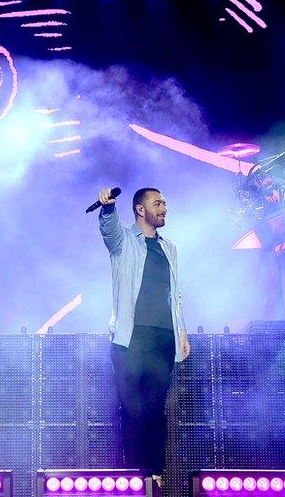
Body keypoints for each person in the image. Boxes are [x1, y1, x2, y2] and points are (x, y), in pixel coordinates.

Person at [96, 186, 191, 484]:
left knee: (155, 409)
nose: (164, 207)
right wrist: (108, 208)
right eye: (158, 202)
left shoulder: (169, 248)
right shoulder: (124, 241)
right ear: (140, 209)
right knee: (132, 410)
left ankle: (156, 476)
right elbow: (108, 230)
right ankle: (135, 478)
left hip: (163, 338)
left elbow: (174, 295)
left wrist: (182, 331)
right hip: (131, 338)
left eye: (165, 202)